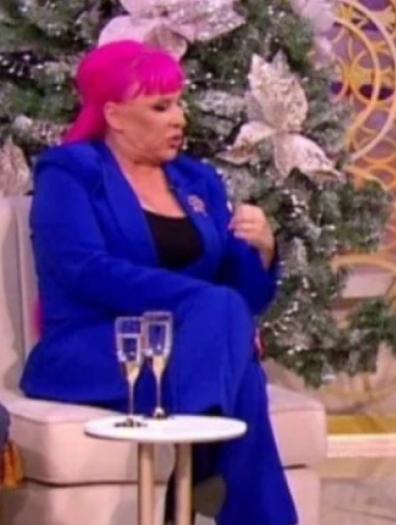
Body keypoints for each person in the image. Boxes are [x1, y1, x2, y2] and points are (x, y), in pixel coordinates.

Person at [20, 40, 297, 525]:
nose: (179, 118)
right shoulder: (70, 172)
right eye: (161, 106)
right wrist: (199, 303)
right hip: (96, 348)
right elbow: (86, 268)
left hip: (183, 351)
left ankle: (197, 481)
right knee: (240, 369)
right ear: (115, 115)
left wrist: (264, 250)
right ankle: (205, 480)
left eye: (179, 103)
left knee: (233, 345)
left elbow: (242, 298)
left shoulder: (198, 181)